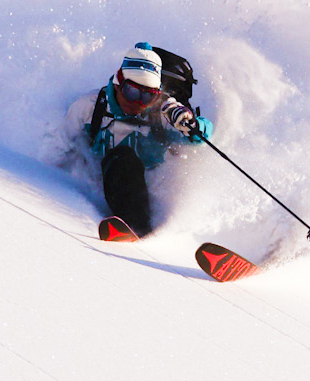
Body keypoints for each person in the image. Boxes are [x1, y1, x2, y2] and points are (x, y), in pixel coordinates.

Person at [68, 42, 213, 236]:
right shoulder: (90, 107)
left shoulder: (166, 113)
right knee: (123, 159)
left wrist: (191, 124)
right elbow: (60, 147)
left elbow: (202, 135)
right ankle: (135, 229)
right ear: (119, 81)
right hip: (108, 188)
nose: (137, 102)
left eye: (147, 97)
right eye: (132, 92)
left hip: (154, 194)